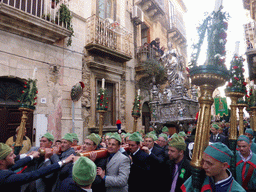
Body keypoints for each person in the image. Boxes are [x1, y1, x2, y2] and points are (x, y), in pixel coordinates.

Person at [0, 143, 74, 192]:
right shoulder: (6, 178)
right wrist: (63, 162)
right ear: (2, 161)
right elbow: (36, 173)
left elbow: (18, 163)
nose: (15, 156)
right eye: (11, 155)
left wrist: (31, 156)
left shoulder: (4, 168)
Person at [181, 142, 245, 192]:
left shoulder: (236, 190)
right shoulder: (200, 177)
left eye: (209, 163)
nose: (204, 166)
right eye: (203, 161)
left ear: (224, 166)